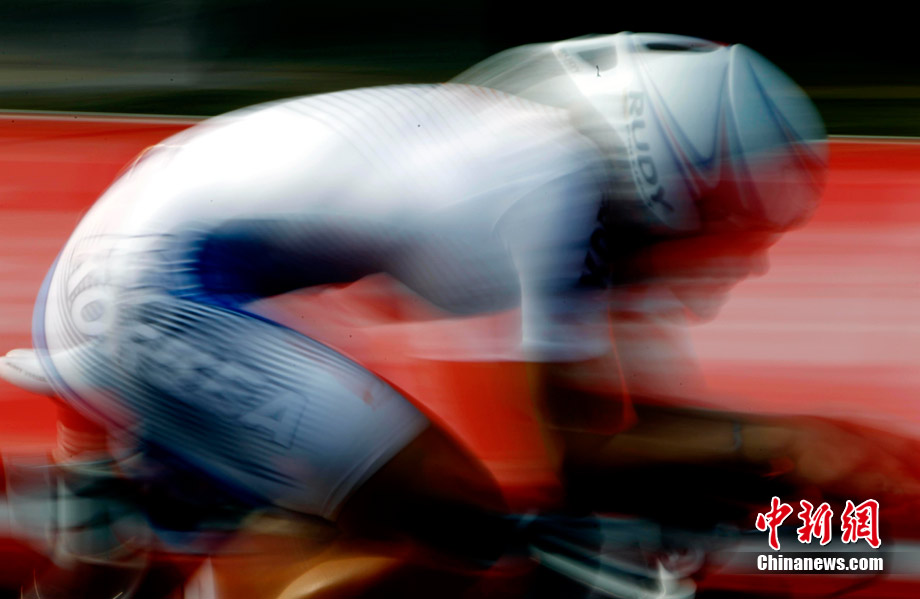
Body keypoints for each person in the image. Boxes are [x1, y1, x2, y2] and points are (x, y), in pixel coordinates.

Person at [0, 32, 830, 598]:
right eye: (719, 224)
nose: (734, 257)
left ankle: (113, 531)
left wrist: (766, 450)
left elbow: (611, 422)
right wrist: (781, 443)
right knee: (461, 528)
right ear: (662, 178)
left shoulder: (541, 159)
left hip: (131, 273)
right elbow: (552, 455)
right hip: (154, 299)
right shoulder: (545, 187)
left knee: (132, 573)